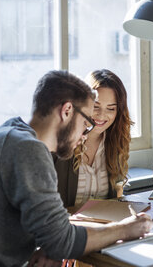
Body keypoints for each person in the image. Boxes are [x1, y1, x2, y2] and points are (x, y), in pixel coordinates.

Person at [0, 70, 153, 266]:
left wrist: (55, 240)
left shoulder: (12, 133)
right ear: (66, 111)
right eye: (86, 122)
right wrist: (127, 229)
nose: (85, 134)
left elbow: (52, 232)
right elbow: (60, 242)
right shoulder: (28, 150)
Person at [55, 69, 133, 207]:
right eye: (95, 106)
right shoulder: (59, 143)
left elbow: (117, 197)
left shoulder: (117, 142)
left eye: (111, 109)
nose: (102, 115)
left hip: (104, 227)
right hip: (67, 227)